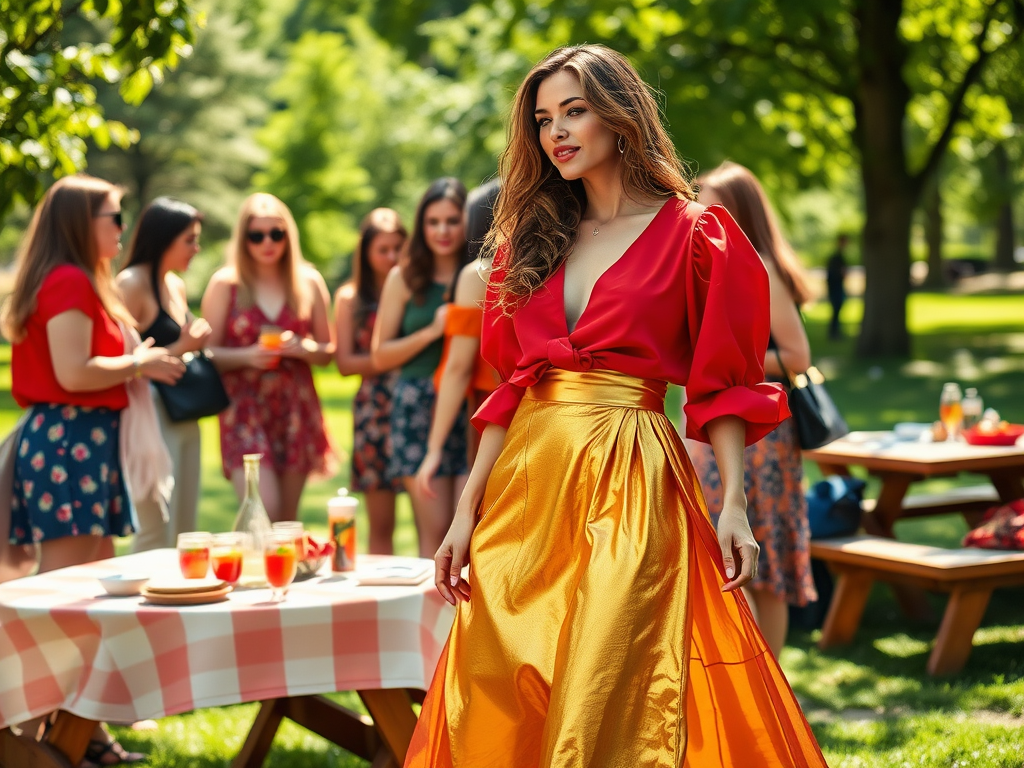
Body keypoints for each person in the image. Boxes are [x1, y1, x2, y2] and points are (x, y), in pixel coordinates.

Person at [406, 46, 827, 766]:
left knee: (610, 680)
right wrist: (463, 512)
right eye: (543, 119)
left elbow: (721, 382)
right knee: (506, 675)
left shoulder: (696, 233)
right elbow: (510, 391)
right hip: (526, 488)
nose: (557, 133)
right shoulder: (526, 243)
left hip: (632, 479)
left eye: (575, 111)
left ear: (621, 116)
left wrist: (732, 506)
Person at [1, 174, 184, 766]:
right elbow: (75, 373)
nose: (121, 228)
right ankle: (22, 734)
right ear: (82, 223)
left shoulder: (83, 280)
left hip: (83, 444)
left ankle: (85, 734)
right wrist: (142, 362)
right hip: (68, 443)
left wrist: (140, 363)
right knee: (61, 599)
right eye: (112, 216)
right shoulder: (68, 281)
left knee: (91, 597)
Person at [685, 161, 818, 658]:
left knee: (763, 563)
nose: (700, 206)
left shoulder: (760, 265)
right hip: (717, 426)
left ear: (738, 208)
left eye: (711, 198)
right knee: (723, 556)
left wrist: (727, 362)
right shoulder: (716, 263)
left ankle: (771, 679)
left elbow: (799, 356)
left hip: (760, 435)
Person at [202, 193, 335, 523]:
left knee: (286, 521)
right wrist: (249, 355)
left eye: (276, 233)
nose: (267, 243)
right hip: (243, 408)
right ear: (243, 238)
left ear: (288, 235)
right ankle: (249, 572)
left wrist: (302, 347)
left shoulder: (308, 282)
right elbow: (206, 354)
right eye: (256, 235)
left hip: (294, 408)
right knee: (263, 508)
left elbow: (328, 351)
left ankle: (278, 576)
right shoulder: (226, 284)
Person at [371, 178, 471, 558]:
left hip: (470, 404)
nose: (442, 231)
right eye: (433, 222)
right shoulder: (404, 277)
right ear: (421, 225)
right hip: (417, 404)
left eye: (452, 220)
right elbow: (381, 355)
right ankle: (432, 618)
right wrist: (432, 331)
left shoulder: (481, 273)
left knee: (470, 535)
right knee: (434, 537)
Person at [117, 197, 212, 551]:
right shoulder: (131, 283)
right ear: (163, 239)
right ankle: (140, 605)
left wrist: (195, 342)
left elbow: (184, 346)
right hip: (151, 415)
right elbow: (121, 360)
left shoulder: (174, 284)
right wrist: (182, 345)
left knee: (185, 526)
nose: (196, 248)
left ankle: (180, 602)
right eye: (189, 240)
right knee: (156, 523)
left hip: (184, 411)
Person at [413, 178, 501, 497]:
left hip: (494, 413)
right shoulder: (553, 265)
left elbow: (458, 368)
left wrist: (433, 448)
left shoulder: (479, 273)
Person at [334, 208, 407, 554]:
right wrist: (392, 357)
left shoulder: (415, 291)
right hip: (374, 412)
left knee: (435, 521)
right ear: (365, 252)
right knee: (381, 525)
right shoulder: (350, 298)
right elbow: (345, 363)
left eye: (398, 247)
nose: (392, 257)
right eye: (383, 249)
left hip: (418, 406)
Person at [826, 233, 848, 339]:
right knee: (836, 310)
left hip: (837, 287)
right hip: (836, 288)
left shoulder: (839, 257)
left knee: (837, 310)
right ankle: (834, 332)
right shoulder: (836, 258)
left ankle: (835, 331)